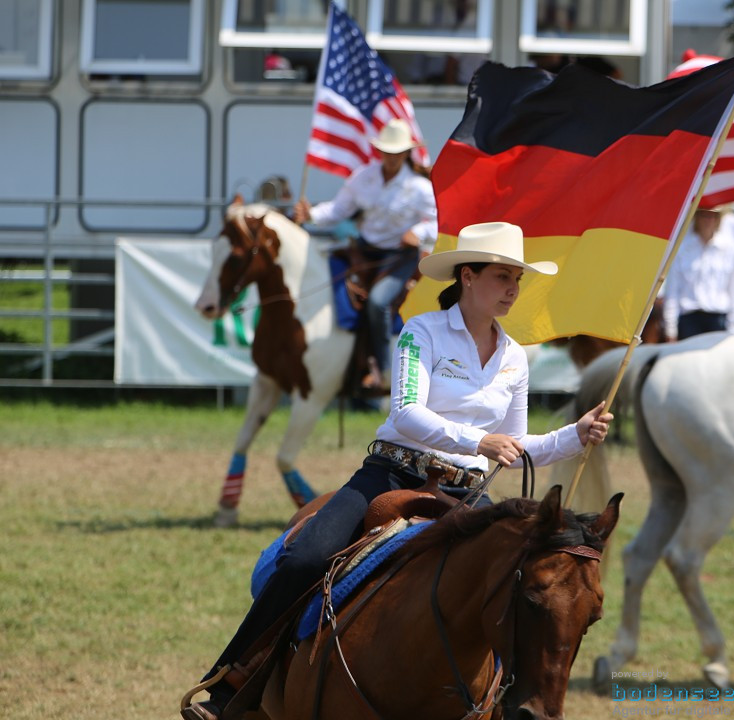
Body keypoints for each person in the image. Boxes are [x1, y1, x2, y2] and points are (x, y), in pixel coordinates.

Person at [181, 221, 615, 720]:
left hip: (470, 494)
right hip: (390, 475)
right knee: (307, 557)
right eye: (502, 276)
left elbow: (514, 445)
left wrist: (574, 435)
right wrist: (478, 440)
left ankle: (510, 700)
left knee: (524, 585)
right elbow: (407, 412)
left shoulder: (515, 356)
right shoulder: (420, 331)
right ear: (468, 276)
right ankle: (233, 681)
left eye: (517, 279)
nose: (513, 289)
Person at [294, 118, 436, 387]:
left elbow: (439, 222)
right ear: (380, 151)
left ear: (406, 153)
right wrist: (310, 213)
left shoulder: (420, 188)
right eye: (387, 152)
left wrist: (418, 232)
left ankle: (383, 370)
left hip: (399, 258)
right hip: (364, 252)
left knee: (377, 302)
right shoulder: (364, 177)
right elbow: (338, 210)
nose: (391, 158)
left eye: (397, 153)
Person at [661, 204, 734, 341]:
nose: (708, 220)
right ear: (696, 217)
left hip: (718, 318)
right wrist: (670, 329)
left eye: (713, 216)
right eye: (704, 215)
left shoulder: (730, 249)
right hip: (689, 318)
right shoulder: (682, 248)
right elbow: (673, 290)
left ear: (718, 219)